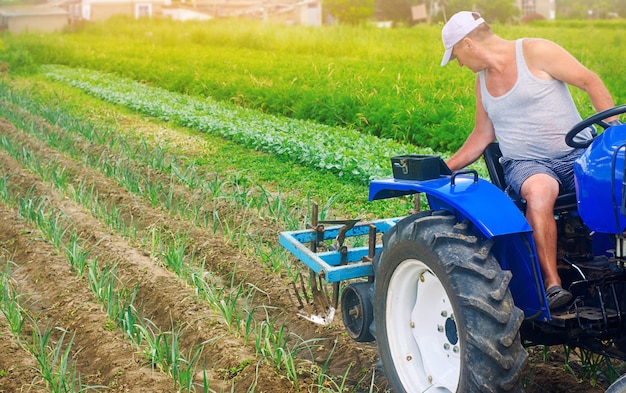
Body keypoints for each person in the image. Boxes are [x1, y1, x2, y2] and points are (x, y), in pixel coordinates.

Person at [440, 11, 620, 309]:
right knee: (540, 189)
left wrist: (613, 134)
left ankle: (612, 262)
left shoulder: (536, 51)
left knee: (614, 180)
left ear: (469, 44)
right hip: (526, 164)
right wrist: (443, 168)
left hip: (576, 154)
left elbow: (590, 81)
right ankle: (552, 284)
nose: (459, 63)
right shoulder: (482, 82)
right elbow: (483, 135)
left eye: (456, 55)